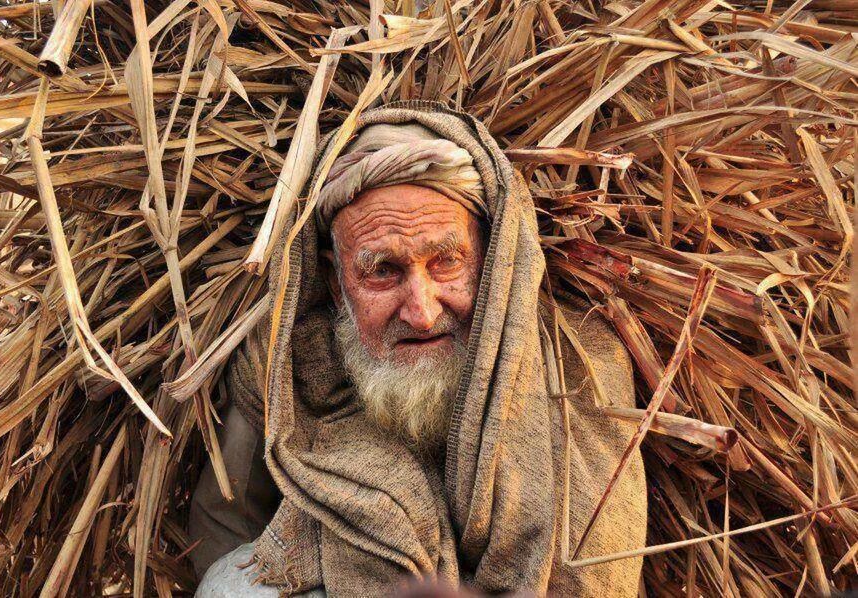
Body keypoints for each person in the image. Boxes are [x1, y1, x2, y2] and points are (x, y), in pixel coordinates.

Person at [189, 100, 647, 597]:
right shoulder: (287, 371)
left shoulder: (580, 370)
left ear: (490, 264)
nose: (422, 312)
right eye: (383, 270)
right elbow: (225, 524)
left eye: (446, 262)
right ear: (336, 283)